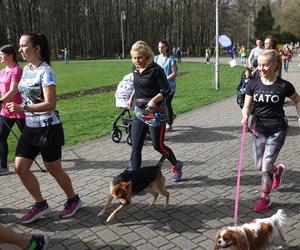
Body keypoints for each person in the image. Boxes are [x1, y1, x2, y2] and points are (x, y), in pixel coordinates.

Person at [7, 32, 82, 223]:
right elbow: (21, 93)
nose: (20, 49)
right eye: (20, 45)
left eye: (24, 45)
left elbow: (50, 104)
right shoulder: (26, 69)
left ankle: (73, 200)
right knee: (20, 168)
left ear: (36, 48)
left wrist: (22, 108)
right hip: (31, 127)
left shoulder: (46, 71)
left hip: (48, 128)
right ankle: (40, 204)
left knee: (53, 168)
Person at [241, 49, 300, 212]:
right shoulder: (253, 83)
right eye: (259, 65)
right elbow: (247, 106)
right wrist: (245, 116)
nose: (261, 68)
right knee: (259, 165)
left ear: (275, 66)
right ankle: (277, 170)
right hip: (259, 128)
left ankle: (264, 197)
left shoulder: (283, 85)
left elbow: (297, 100)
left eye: (265, 65)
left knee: (266, 164)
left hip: (278, 129)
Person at [127, 41, 183, 182]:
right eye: (134, 58)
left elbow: (166, 90)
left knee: (158, 146)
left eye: (139, 57)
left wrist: (154, 100)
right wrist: (132, 98)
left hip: (155, 113)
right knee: (136, 145)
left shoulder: (156, 69)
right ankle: (135, 177)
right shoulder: (135, 69)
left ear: (147, 56)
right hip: (139, 112)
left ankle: (176, 165)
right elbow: (137, 85)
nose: (136, 61)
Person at [0, 45, 25, 175]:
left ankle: (47, 154)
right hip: (6, 110)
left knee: (29, 137)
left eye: (2, 54)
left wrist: (1, 101)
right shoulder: (2, 71)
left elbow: (14, 90)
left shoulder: (17, 70)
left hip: (19, 109)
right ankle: (3, 167)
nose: (0, 56)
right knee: (0, 137)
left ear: (10, 56)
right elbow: (2, 89)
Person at [154, 40, 177, 132]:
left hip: (170, 86)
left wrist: (165, 79)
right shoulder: (156, 58)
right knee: (160, 104)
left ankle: (169, 123)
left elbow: (174, 73)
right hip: (159, 86)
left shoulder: (171, 59)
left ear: (166, 47)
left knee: (167, 104)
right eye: (159, 47)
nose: (160, 49)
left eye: (162, 47)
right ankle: (170, 116)